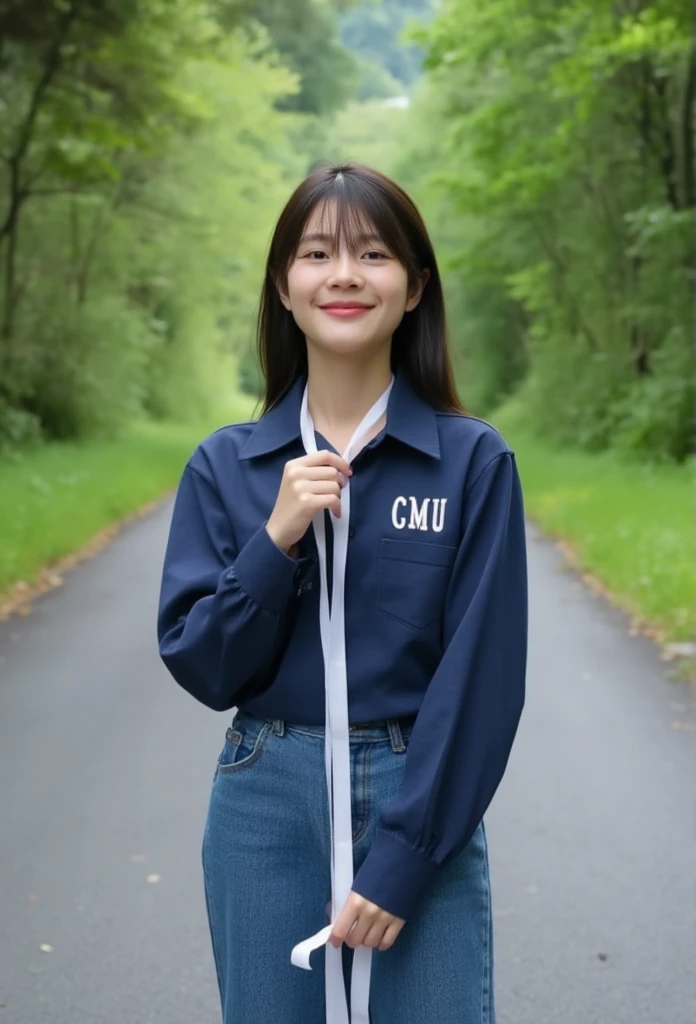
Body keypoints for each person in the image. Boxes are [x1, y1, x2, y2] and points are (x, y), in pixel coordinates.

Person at [157, 162, 528, 1024]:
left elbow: (483, 681)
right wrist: (276, 539)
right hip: (263, 800)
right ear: (285, 287)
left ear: (414, 287)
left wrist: (404, 857)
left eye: (373, 254)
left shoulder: (473, 463)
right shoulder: (226, 466)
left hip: (417, 793)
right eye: (317, 253)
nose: (346, 274)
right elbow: (204, 665)